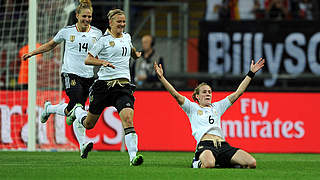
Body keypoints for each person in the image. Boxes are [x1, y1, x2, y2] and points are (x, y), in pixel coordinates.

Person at [22, 0, 102, 159]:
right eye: (84, 16)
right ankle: (84, 143)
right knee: (79, 107)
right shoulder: (67, 31)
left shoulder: (97, 34)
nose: (87, 19)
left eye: (90, 17)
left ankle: (50, 109)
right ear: (77, 15)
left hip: (88, 77)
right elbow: (51, 45)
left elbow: (101, 53)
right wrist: (33, 52)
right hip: (70, 74)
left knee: (74, 109)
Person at [154, 58, 265, 168]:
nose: (208, 94)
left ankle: (223, 162)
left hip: (223, 145)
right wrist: (162, 78)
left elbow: (238, 93)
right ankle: (197, 162)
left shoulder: (218, 106)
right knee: (209, 164)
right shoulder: (192, 108)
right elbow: (175, 95)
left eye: (209, 92)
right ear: (197, 96)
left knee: (252, 163)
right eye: (204, 92)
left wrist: (251, 73)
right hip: (206, 145)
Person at [66, 9, 144, 166]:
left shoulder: (127, 37)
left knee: (128, 120)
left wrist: (136, 55)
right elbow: (88, 60)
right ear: (111, 23)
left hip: (122, 87)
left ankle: (133, 157)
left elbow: (131, 51)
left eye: (123, 21)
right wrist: (103, 62)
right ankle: (78, 111)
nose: (122, 24)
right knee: (89, 124)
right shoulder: (102, 40)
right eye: (119, 22)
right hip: (103, 86)